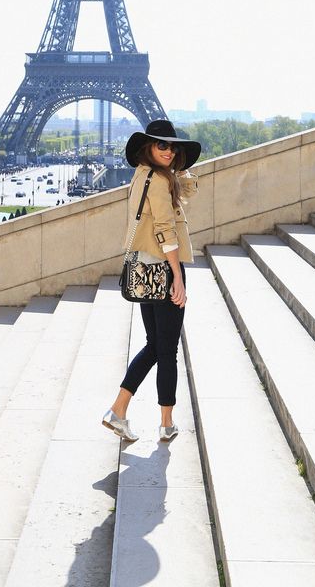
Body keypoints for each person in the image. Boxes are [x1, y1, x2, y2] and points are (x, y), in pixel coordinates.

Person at [102, 120, 201, 444]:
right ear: (148, 146)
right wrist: (178, 279)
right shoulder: (159, 181)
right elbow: (165, 230)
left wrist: (180, 167)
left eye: (174, 146)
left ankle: (119, 411)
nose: (169, 151)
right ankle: (165, 423)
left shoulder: (143, 175)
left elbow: (187, 192)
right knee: (167, 349)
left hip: (144, 268)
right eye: (162, 145)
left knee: (155, 345)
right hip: (164, 269)